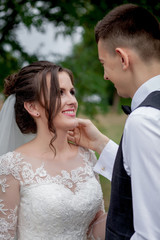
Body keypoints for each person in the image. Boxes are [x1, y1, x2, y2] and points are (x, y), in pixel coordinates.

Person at [68, 3, 160, 240]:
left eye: (103, 63)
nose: (105, 75)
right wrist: (101, 145)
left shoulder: (144, 121)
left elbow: (151, 233)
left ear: (122, 58)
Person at [0, 60, 107, 240]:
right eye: (60, 93)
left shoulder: (87, 155)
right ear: (32, 107)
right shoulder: (11, 166)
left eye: (72, 92)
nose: (72, 100)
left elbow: (95, 228)